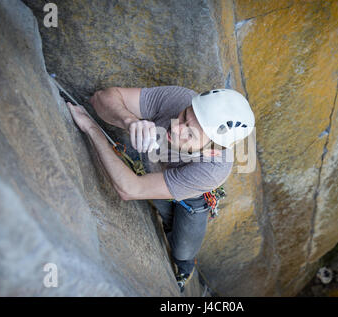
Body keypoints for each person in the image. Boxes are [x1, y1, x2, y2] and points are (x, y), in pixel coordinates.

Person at [66, 85, 255, 292]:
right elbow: (101, 98)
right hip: (160, 171)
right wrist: (129, 121)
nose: (176, 128)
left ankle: (185, 267)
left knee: (183, 250)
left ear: (211, 153)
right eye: (183, 116)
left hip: (194, 199)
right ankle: (167, 223)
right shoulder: (180, 98)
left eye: (189, 134)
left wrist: (93, 130)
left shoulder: (213, 169)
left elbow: (130, 189)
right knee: (165, 214)